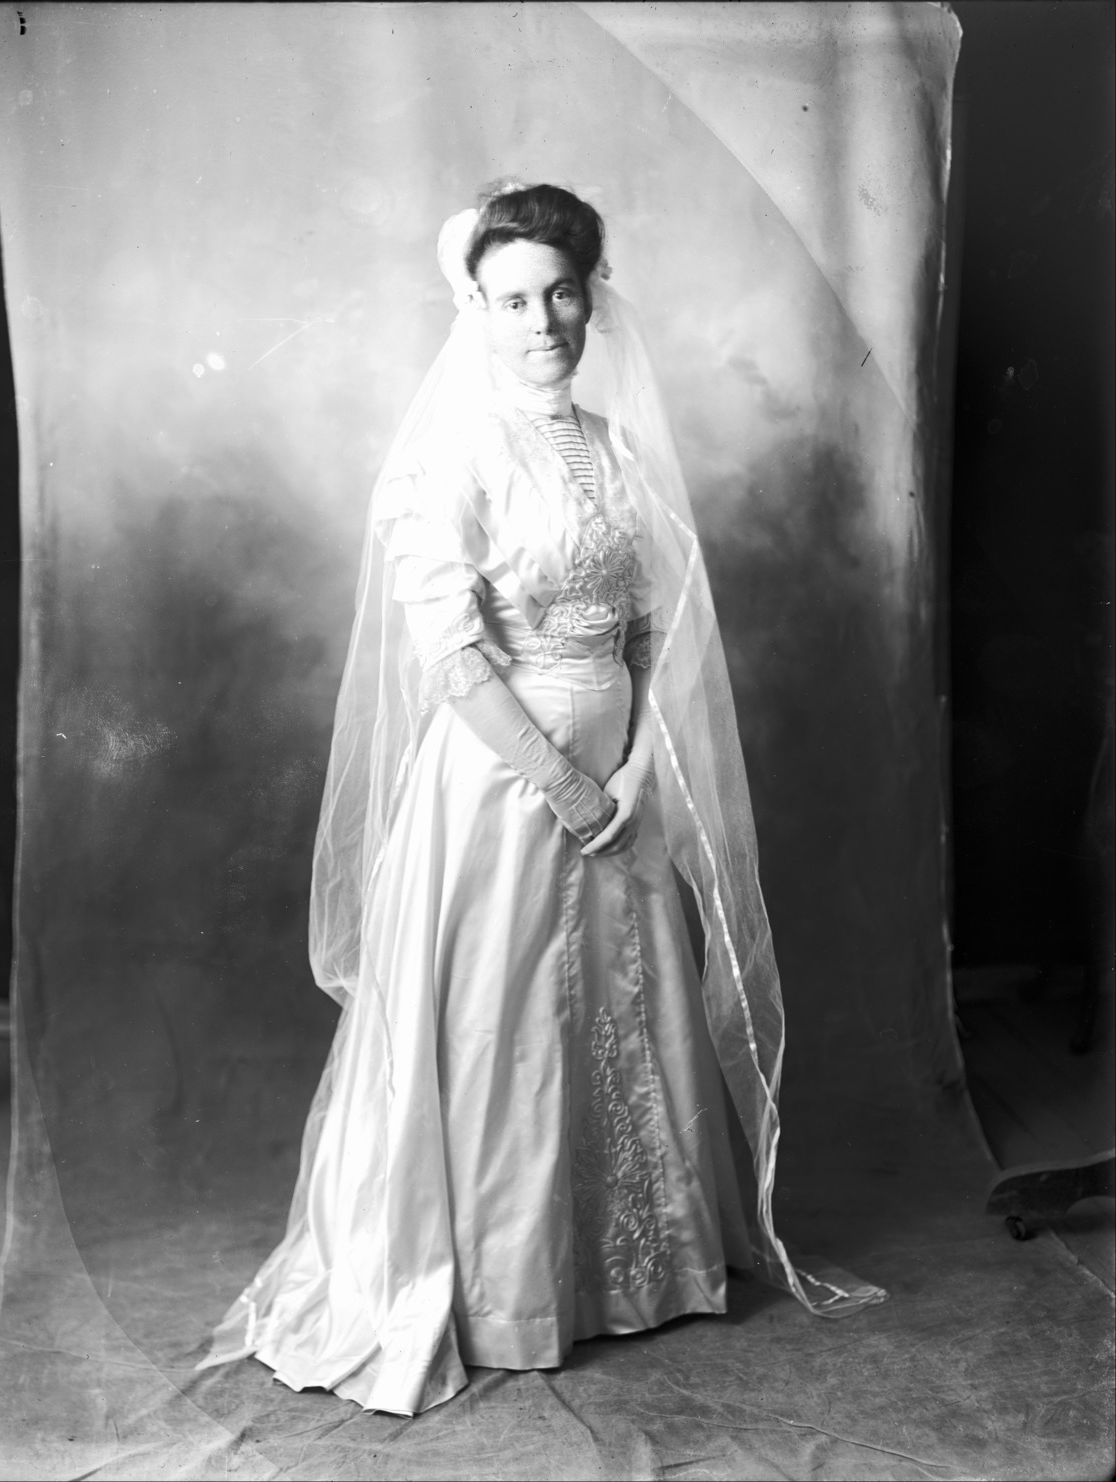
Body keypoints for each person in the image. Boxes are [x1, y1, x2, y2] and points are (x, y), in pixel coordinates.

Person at [197, 182, 884, 1416]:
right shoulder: (448, 454)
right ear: (474, 308)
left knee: (619, 1010)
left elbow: (654, 631)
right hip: (503, 783)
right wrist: (566, 784)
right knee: (501, 1027)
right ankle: (507, 1291)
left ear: (591, 298)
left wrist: (631, 774)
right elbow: (451, 660)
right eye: (511, 300)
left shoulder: (615, 447)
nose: (541, 322)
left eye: (561, 293)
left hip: (618, 775)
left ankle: (628, 1272)